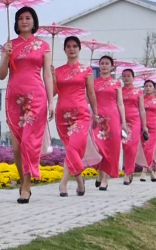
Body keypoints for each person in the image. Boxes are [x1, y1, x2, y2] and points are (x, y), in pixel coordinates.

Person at [0, 6, 54, 203]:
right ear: (16, 22)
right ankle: (23, 183)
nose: (24, 21)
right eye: (20, 18)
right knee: (16, 148)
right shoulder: (9, 45)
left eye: (28, 18)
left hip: (36, 98)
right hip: (14, 97)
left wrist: (51, 101)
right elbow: (1, 75)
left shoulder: (43, 46)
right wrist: (5, 56)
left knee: (29, 144)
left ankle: (26, 187)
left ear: (34, 21)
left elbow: (47, 74)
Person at [51, 36, 101, 197]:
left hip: (81, 114)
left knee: (73, 148)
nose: (71, 49)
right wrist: (51, 78)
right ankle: (80, 181)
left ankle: (63, 183)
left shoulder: (86, 70)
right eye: (68, 46)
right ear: (64, 49)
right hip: (62, 115)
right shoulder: (57, 71)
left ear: (79, 49)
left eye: (74, 46)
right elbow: (52, 93)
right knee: (71, 151)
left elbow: (91, 93)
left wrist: (96, 113)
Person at [91, 56, 128, 190]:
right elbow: (87, 99)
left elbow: (120, 103)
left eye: (107, 64)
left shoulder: (116, 84)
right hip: (97, 117)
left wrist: (123, 122)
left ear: (112, 67)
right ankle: (100, 174)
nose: (104, 66)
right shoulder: (93, 82)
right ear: (99, 66)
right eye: (102, 63)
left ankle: (104, 179)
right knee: (98, 147)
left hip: (112, 118)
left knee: (110, 148)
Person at [121, 68, 148, 185]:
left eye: (128, 76)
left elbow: (142, 109)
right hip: (121, 121)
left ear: (133, 78)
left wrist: (145, 126)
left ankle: (128, 173)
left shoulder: (138, 92)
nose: (126, 78)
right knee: (125, 146)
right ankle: (129, 170)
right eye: (124, 76)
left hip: (135, 121)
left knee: (131, 147)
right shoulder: (118, 90)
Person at [139, 79, 155, 181]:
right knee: (143, 149)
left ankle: (144, 171)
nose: (148, 88)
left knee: (148, 149)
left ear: (154, 88)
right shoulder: (141, 99)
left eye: (150, 86)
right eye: (146, 86)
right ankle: (152, 172)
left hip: (154, 127)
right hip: (142, 126)